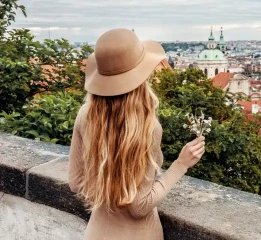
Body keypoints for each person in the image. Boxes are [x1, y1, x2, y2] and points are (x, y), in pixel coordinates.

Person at [68, 28, 206, 240]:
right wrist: (181, 164)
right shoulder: (147, 128)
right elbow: (140, 207)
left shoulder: (85, 115)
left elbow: (76, 183)